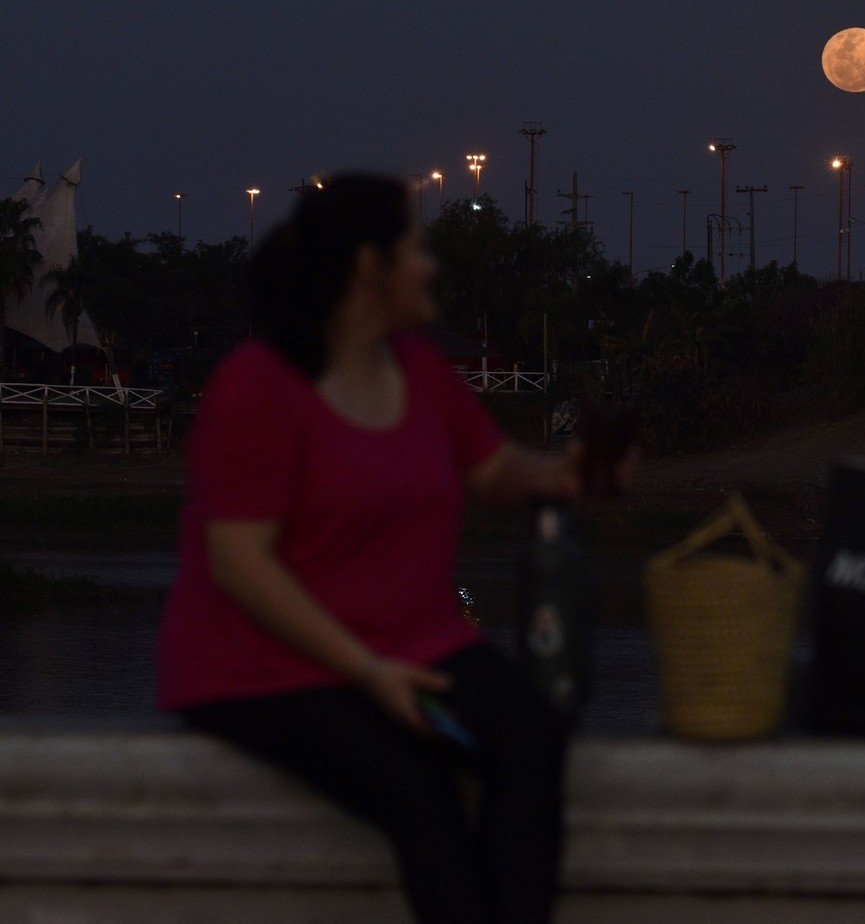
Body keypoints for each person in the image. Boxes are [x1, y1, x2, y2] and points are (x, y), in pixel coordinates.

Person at [156, 174, 592, 922]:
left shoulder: (419, 370)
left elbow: (490, 470)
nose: (431, 266)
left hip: (412, 639)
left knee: (529, 736)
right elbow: (239, 562)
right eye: (417, 248)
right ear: (369, 269)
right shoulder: (257, 386)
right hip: (265, 666)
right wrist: (366, 671)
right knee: (418, 787)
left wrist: (565, 474)